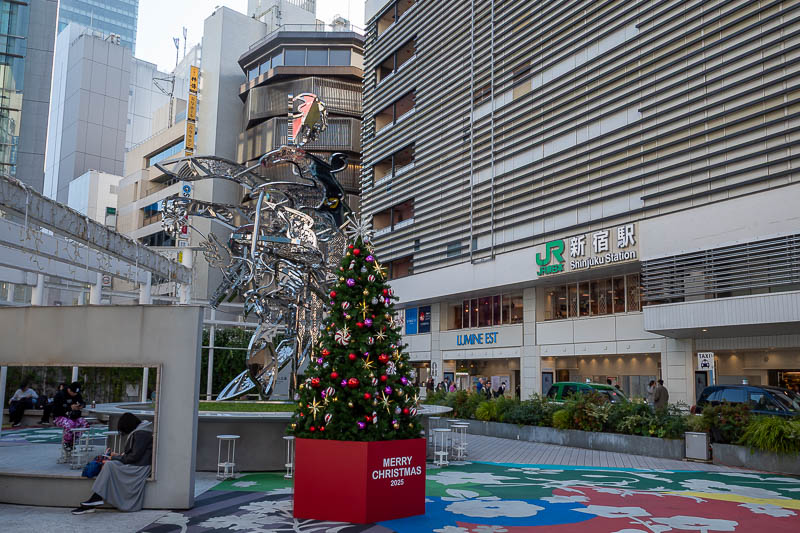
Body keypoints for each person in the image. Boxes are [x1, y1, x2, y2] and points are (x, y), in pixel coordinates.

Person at [72, 412, 154, 514]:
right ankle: (95, 498)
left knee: (109, 465)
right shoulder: (142, 431)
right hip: (138, 464)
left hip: (139, 468)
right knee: (109, 464)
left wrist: (116, 457)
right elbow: (134, 455)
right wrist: (118, 456)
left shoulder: (141, 433)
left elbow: (133, 457)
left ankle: (96, 498)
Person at [53, 382, 89, 450]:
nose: (75, 394)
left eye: (76, 393)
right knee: (70, 424)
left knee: (85, 424)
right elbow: (56, 410)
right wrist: (69, 407)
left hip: (74, 416)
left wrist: (81, 405)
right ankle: (66, 442)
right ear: (69, 389)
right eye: (74, 392)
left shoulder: (77, 394)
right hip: (59, 417)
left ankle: (74, 439)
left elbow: (82, 402)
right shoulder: (60, 395)